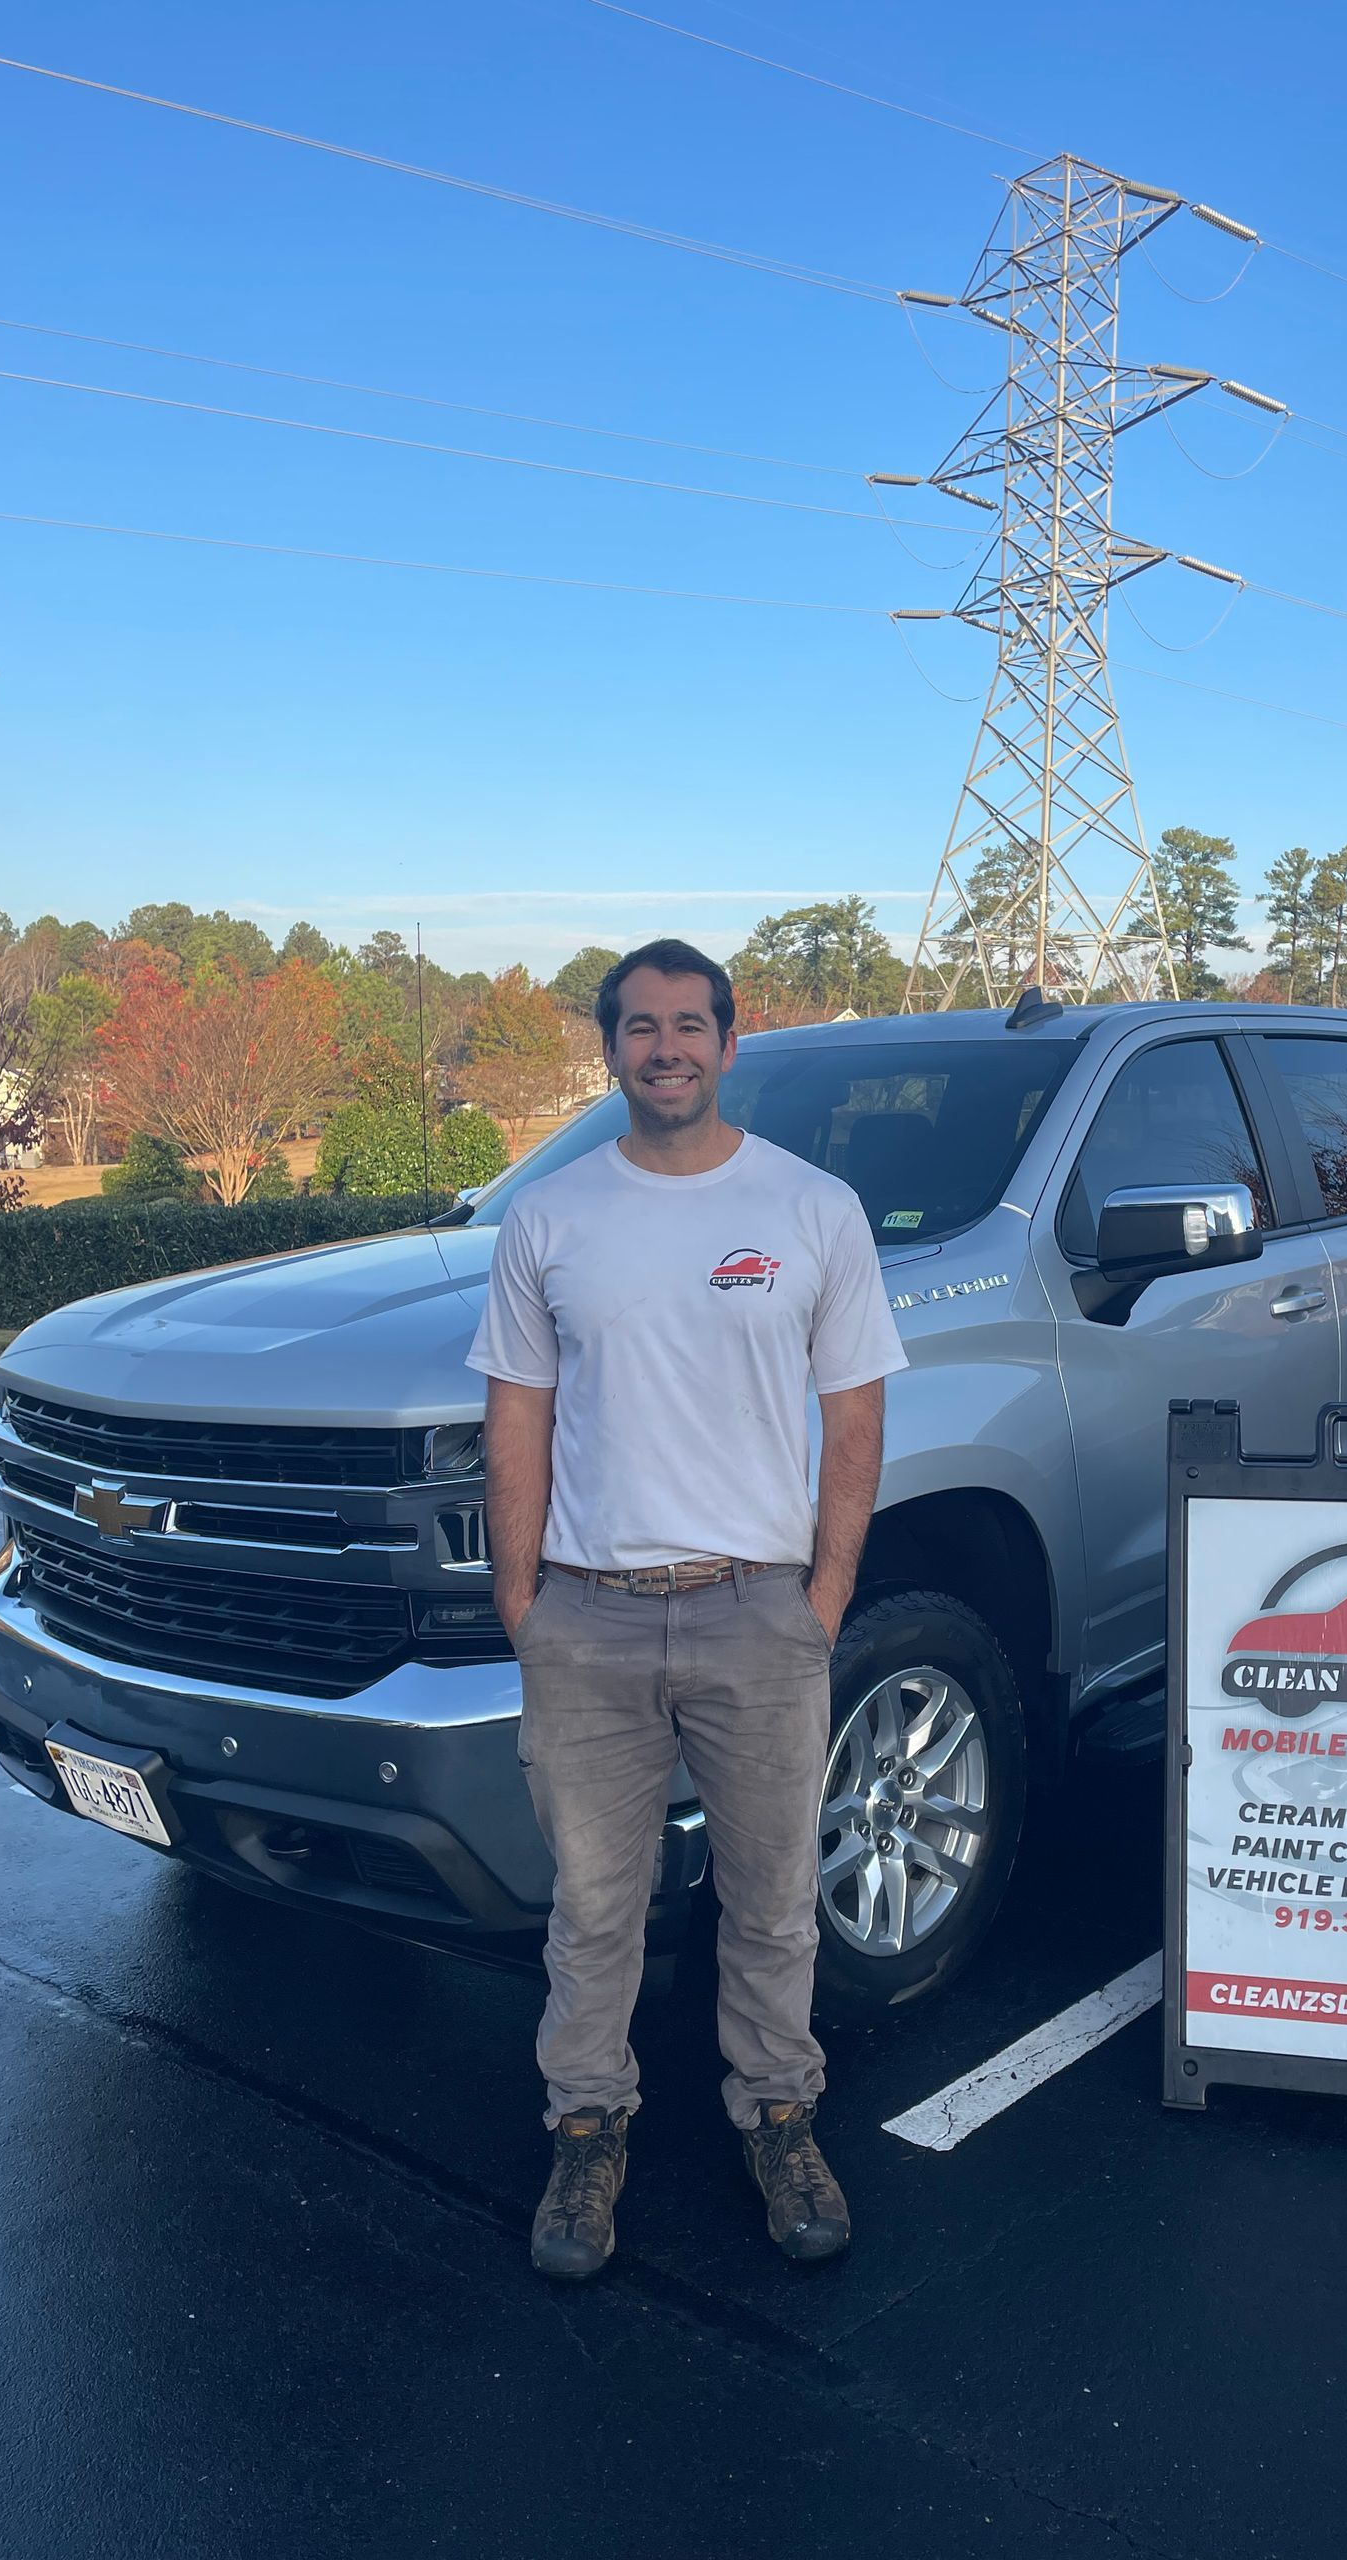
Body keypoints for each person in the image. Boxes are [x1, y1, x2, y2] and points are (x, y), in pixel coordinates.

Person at [469, 937, 905, 2281]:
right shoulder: (549, 1220)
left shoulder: (811, 1211)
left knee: (772, 1900)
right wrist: (522, 1600)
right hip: (588, 1623)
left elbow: (856, 1421)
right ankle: (586, 2128)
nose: (663, 1048)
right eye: (638, 1027)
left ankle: (779, 2113)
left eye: (687, 1025)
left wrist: (822, 1599)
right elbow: (517, 1420)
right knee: (593, 1910)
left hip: (758, 1616)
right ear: (611, 1049)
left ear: (730, 1039)